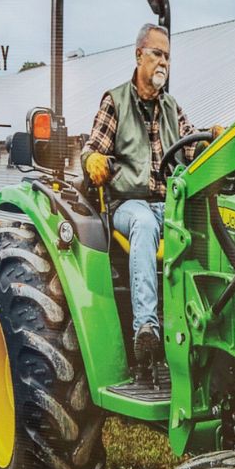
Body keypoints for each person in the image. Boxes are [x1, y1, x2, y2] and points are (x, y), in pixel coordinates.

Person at [81, 21, 185, 375]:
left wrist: (213, 140)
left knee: (200, 226)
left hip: (168, 205)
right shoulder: (116, 102)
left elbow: (192, 144)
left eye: (167, 56)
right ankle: (147, 330)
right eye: (157, 54)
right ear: (139, 55)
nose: (163, 62)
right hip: (128, 205)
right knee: (144, 223)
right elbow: (92, 149)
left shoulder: (171, 108)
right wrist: (92, 160)